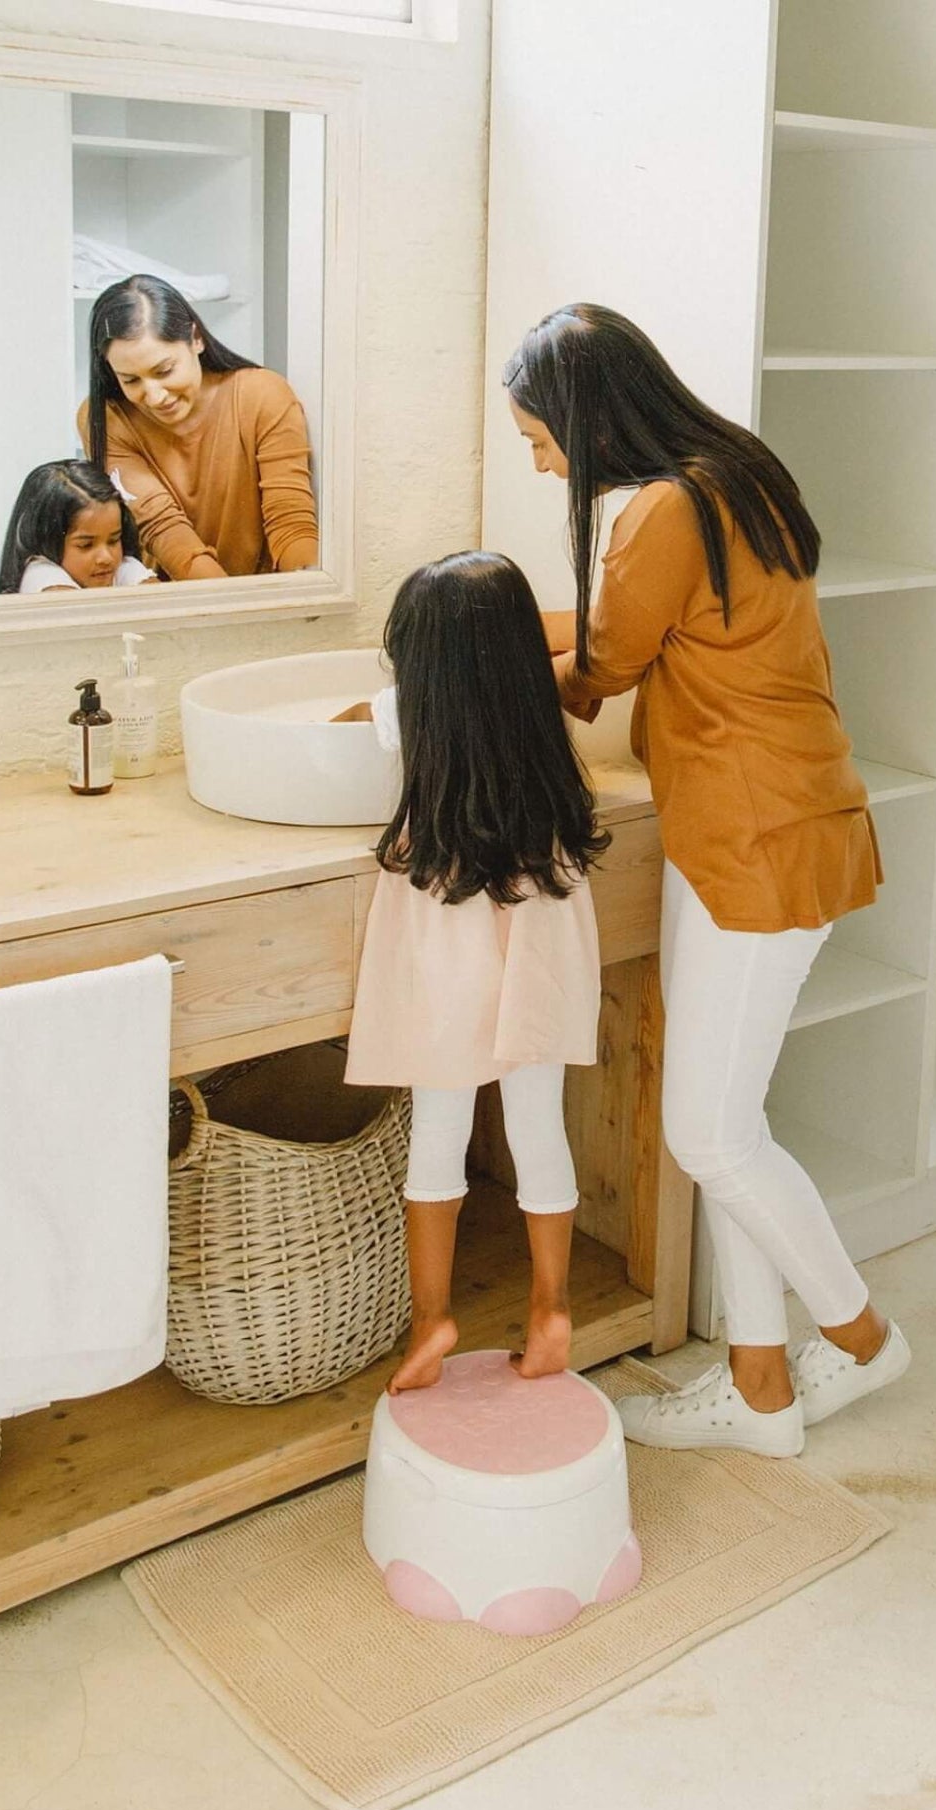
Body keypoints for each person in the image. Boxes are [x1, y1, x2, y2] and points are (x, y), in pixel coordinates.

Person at [503, 302, 912, 1459]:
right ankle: (759, 1386)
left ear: (584, 424)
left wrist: (469, 645)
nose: (539, 461)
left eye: (539, 440)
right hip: (770, 819)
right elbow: (630, 631)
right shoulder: (730, 475)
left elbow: (597, 670)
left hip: (753, 835)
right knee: (724, 1122)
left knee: (711, 1135)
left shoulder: (663, 509)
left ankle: (865, 1336)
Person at [339, 552, 610, 1394]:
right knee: (540, 1130)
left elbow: (338, 723)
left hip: (445, 947)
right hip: (542, 944)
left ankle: (432, 1322)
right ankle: (553, 1307)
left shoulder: (404, 714)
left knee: (438, 1134)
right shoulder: (539, 719)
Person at [80, 274, 318, 580]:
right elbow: (163, 528)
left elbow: (291, 519)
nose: (154, 396)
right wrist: (224, 611)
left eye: (164, 370)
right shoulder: (104, 416)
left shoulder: (262, 394)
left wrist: (309, 586)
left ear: (196, 338)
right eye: (130, 380)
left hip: (263, 596)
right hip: (175, 601)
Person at [0, 460, 156, 595]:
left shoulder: (123, 566)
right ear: (46, 540)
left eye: (113, 540)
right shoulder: (42, 575)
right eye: (86, 545)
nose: (106, 558)